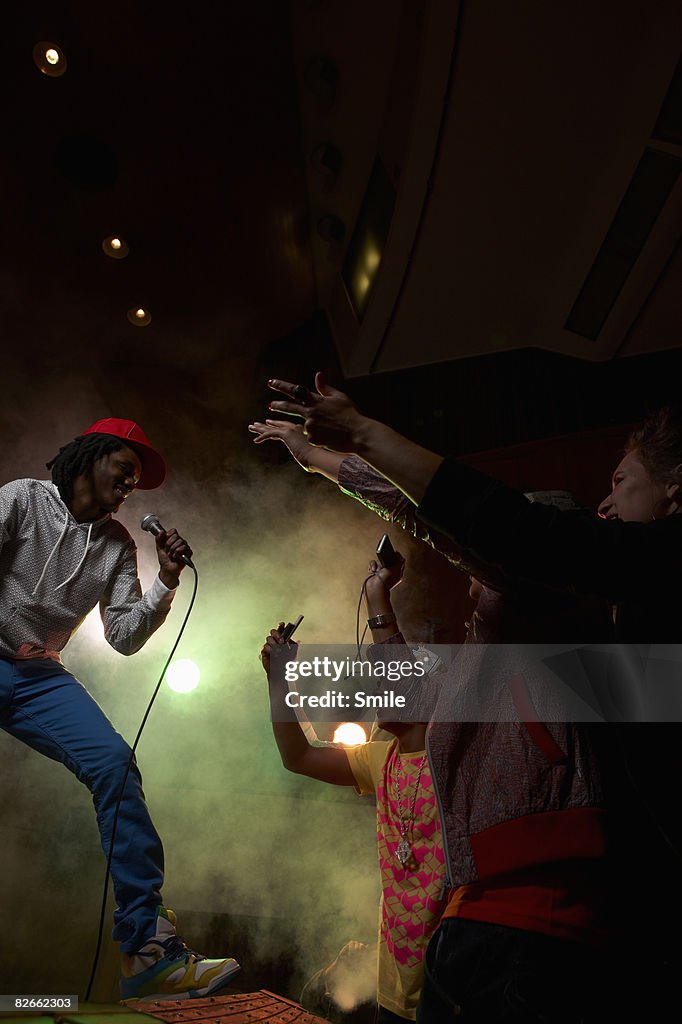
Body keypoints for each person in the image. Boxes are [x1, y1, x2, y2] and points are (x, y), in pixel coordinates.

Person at [264, 377, 682, 1019]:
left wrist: (335, 455)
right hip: (480, 918)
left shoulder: (557, 622)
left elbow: (482, 530)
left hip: (533, 928)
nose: (605, 503)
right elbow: (395, 689)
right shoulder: (490, 660)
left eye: (621, 482)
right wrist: (349, 622)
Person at [0, 418, 239, 1001]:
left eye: (138, 479)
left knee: (114, 764)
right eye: (126, 467)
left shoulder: (116, 546)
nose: (132, 483)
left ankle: (145, 949)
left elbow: (125, 636)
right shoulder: (23, 499)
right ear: (93, 454)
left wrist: (168, 579)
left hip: (34, 676)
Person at [261, 550, 446, 1024]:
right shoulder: (379, 757)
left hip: (450, 986)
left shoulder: (453, 760)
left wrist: (376, 595)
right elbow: (298, 756)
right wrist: (279, 679)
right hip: (393, 993)